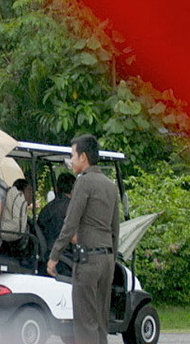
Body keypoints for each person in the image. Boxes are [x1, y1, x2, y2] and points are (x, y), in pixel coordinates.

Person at [47, 134, 119, 344]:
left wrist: (54, 255)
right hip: (106, 260)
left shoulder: (83, 183)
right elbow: (115, 228)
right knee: (100, 323)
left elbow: (70, 223)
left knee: (85, 323)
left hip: (88, 261)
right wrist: (112, 261)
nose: (71, 161)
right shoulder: (110, 185)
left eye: (73, 156)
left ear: (84, 157)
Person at [37, 172, 76, 276]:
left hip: (44, 258)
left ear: (57, 189)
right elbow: (75, 239)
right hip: (64, 261)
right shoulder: (71, 209)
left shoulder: (46, 209)